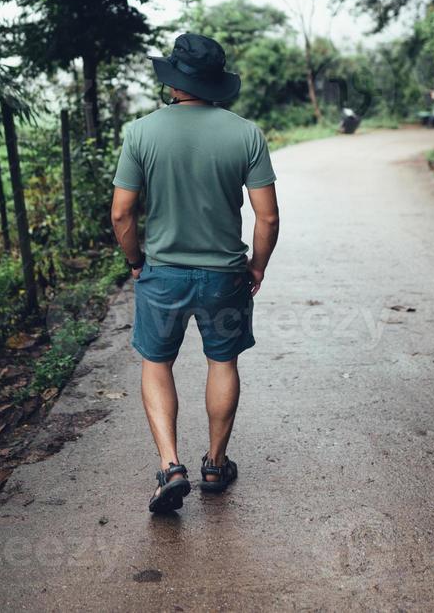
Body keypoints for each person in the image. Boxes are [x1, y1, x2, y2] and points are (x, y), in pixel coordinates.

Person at [109, 32, 281, 514]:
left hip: (162, 272)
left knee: (156, 362)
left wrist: (136, 262)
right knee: (222, 362)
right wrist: (257, 267)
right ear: (215, 83)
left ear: (174, 81)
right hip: (225, 274)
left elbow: (122, 213)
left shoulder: (140, 133)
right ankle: (214, 464)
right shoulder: (245, 133)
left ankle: (171, 466)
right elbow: (267, 216)